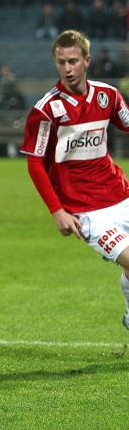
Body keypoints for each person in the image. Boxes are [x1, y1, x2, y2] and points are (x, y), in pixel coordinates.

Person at [21, 30, 129, 333]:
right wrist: (57, 210)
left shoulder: (108, 96)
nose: (67, 68)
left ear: (86, 61)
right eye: (61, 62)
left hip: (121, 194)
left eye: (73, 61)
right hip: (87, 212)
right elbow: (34, 162)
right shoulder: (47, 110)